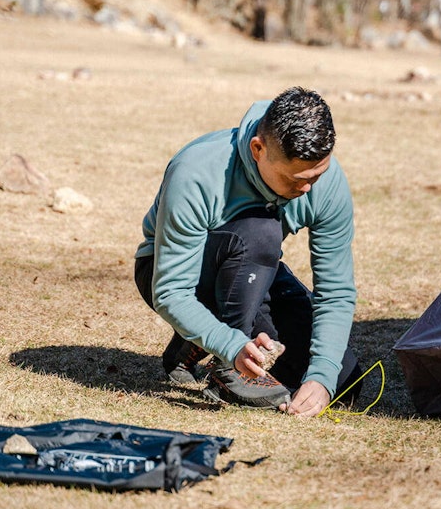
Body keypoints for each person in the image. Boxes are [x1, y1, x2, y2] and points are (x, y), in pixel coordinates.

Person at [134, 87, 361, 417]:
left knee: (345, 383)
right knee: (261, 230)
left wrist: (322, 376)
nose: (309, 188)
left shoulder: (323, 181)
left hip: (253, 272)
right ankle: (228, 368)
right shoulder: (196, 172)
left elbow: (336, 292)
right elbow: (171, 291)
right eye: (296, 178)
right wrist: (232, 346)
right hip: (174, 272)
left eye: (318, 173)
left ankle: (196, 340)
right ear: (258, 149)